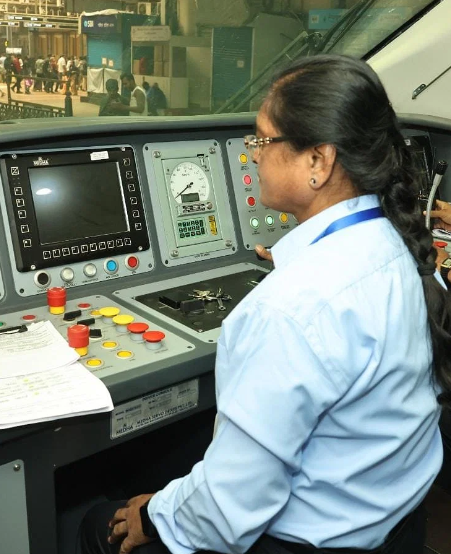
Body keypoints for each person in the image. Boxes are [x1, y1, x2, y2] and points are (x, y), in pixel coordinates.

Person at [79, 54, 451, 554]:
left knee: (97, 523)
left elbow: (227, 514)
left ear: (318, 162)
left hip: (308, 540)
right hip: (396, 526)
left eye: (263, 140)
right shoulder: (405, 250)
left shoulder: (290, 311)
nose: (253, 154)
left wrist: (152, 513)